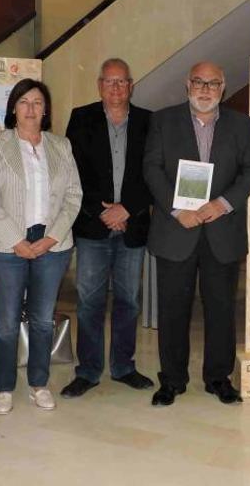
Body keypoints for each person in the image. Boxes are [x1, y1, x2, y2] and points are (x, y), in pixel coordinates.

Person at [143, 61, 250, 406]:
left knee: (221, 309)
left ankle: (218, 378)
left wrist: (222, 204)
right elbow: (151, 169)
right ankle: (172, 380)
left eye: (213, 83)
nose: (205, 89)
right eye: (199, 82)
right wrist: (178, 211)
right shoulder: (163, 121)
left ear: (223, 88)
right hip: (176, 230)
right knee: (172, 310)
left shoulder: (241, 125)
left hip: (221, 231)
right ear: (187, 85)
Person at [0, 79, 81, 414]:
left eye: (37, 102)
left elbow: (73, 196)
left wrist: (50, 238)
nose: (31, 108)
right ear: (12, 108)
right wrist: (16, 241)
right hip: (4, 246)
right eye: (24, 101)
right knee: (7, 321)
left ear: (46, 109)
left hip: (53, 244)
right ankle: (4, 387)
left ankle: (39, 383)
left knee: (41, 320)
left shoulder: (61, 146)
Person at [61, 59, 153, 399]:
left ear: (131, 85)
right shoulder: (81, 118)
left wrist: (128, 208)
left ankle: (124, 367)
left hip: (133, 224)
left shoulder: (148, 121)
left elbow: (154, 172)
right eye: (109, 82)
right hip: (93, 227)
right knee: (89, 302)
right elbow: (73, 173)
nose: (116, 88)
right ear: (100, 85)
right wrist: (103, 212)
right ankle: (87, 371)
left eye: (122, 82)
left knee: (129, 300)